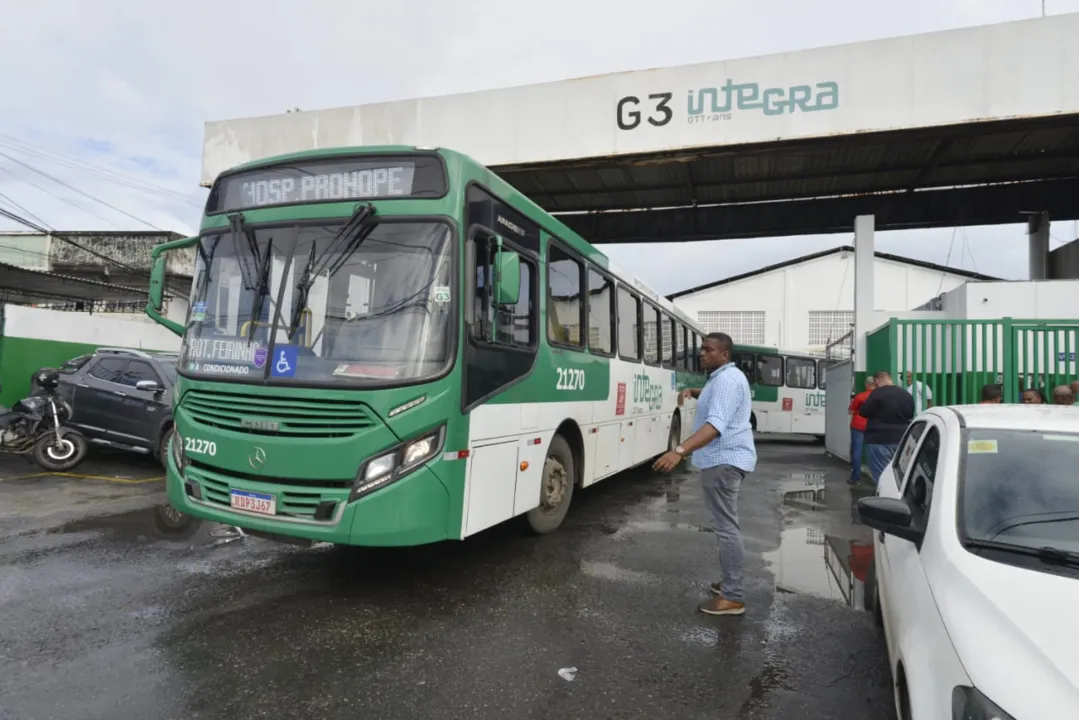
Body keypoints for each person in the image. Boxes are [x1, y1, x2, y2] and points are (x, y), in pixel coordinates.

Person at [653, 332, 756, 617]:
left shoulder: (725, 380)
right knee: (727, 527)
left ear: (724, 354)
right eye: (702, 349)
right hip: (727, 460)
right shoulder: (724, 377)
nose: (702, 354)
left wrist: (679, 450)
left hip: (723, 462)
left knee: (726, 529)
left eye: (708, 350)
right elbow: (718, 400)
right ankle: (730, 582)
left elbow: (715, 425)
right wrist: (694, 392)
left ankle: (733, 596)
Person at [858, 371, 915, 485]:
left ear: (877, 381)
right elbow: (910, 414)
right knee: (900, 475)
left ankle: (884, 499)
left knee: (881, 475)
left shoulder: (877, 393)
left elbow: (864, 411)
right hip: (902, 439)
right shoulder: (905, 394)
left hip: (879, 440)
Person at [847, 377, 875, 485]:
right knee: (872, 451)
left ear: (866, 384)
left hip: (858, 425)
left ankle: (855, 478)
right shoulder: (878, 397)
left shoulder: (860, 396)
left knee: (857, 451)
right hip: (872, 426)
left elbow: (851, 411)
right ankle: (875, 478)